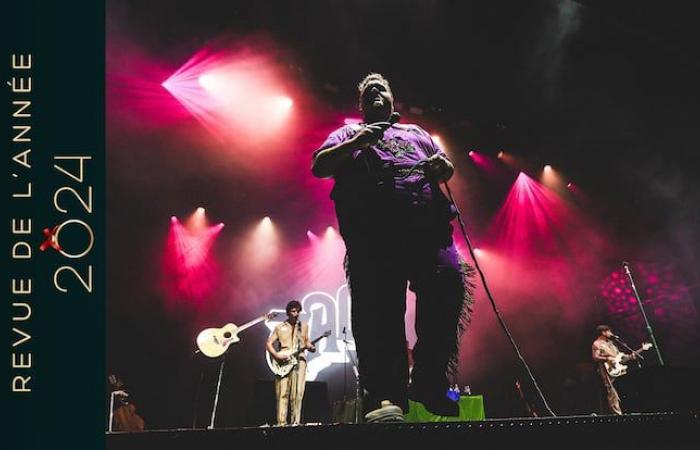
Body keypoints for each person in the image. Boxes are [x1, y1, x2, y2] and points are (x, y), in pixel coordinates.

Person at [312, 73, 475, 422]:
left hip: (427, 232)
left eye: (380, 88)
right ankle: (387, 397)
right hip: (373, 237)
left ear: (391, 99)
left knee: (449, 283)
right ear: (361, 105)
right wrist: (356, 141)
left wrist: (441, 166)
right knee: (379, 315)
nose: (374, 91)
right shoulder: (347, 132)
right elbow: (319, 165)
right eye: (367, 90)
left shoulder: (416, 134)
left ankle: (429, 380)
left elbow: (446, 166)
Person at [266, 300, 316, 425]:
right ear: (288, 313)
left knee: (298, 394)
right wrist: (276, 355)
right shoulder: (279, 327)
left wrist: (310, 347)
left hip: (299, 360)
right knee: (283, 393)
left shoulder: (304, 326)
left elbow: (306, 341)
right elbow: (268, 343)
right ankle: (281, 423)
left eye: (298, 311)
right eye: (293, 311)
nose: (296, 313)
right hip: (284, 359)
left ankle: (295, 423)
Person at [591, 324, 637, 415]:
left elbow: (618, 356)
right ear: (603, 332)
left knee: (623, 390)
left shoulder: (611, 343)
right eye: (609, 331)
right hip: (607, 372)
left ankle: (628, 411)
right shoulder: (597, 344)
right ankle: (617, 415)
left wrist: (630, 356)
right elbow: (595, 357)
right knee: (612, 393)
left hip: (618, 370)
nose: (611, 333)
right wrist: (607, 359)